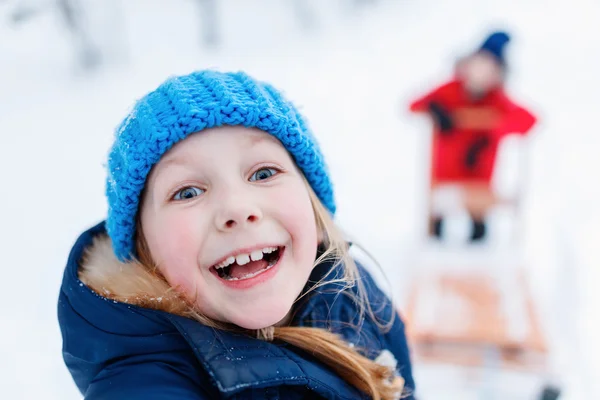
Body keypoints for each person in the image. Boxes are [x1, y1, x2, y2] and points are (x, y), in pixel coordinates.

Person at [58, 70, 415, 399]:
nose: (237, 209)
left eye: (263, 173)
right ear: (144, 248)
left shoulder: (354, 294)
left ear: (311, 201)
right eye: (187, 192)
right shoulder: (143, 382)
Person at [409, 31, 536, 241]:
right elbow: (413, 105)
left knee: (478, 226)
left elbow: (529, 120)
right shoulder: (448, 91)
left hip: (479, 181)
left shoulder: (498, 100)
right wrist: (434, 110)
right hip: (444, 179)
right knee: (438, 226)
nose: (481, 73)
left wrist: (494, 128)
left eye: (490, 69)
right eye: (479, 65)